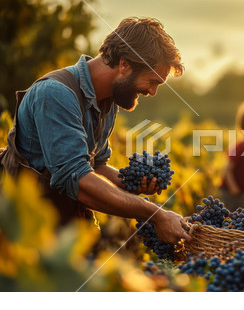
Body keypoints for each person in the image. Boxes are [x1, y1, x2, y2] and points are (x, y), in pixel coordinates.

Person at [0, 17, 191, 245]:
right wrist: (155, 215)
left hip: (64, 231)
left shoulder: (108, 103)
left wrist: (126, 183)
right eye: (152, 81)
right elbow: (77, 179)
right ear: (124, 64)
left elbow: (96, 166)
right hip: (22, 234)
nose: (152, 91)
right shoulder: (55, 94)